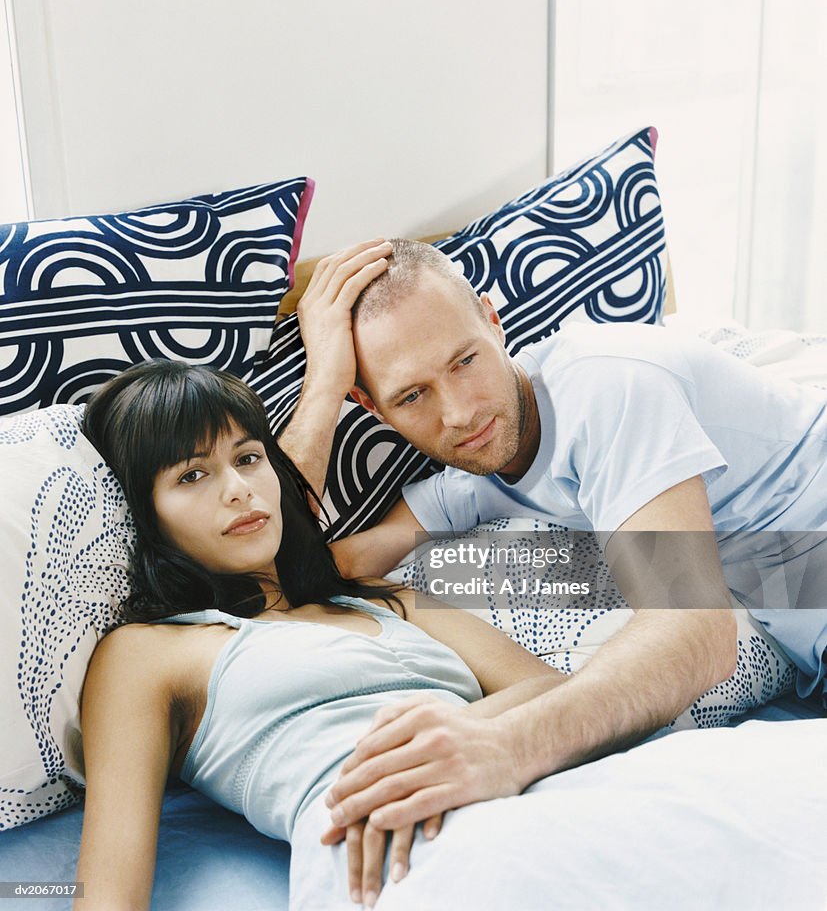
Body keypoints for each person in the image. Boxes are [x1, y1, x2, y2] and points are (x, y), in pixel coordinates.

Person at [277, 238, 827, 842]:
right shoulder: (477, 472)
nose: (459, 412)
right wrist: (322, 389)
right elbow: (292, 564)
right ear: (371, 407)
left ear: (494, 320)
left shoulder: (607, 386)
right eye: (413, 395)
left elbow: (695, 630)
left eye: (464, 360)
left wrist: (506, 745)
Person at [74, 358, 582, 910]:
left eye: (248, 458)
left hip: (537, 788)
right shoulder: (146, 653)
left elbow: (568, 699)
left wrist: (457, 733)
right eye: (192, 475)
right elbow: (106, 893)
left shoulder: (383, 595)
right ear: (146, 514)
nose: (240, 490)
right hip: (413, 852)